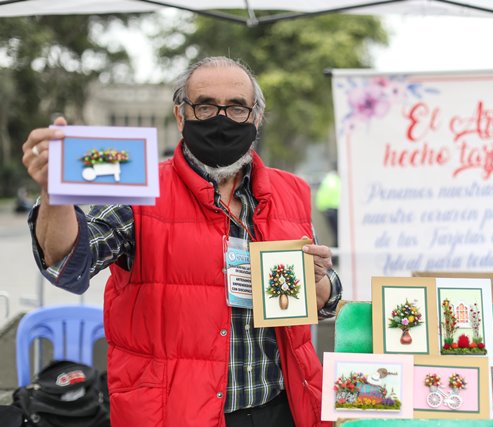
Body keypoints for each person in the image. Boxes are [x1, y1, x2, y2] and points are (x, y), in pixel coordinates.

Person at [21, 56, 342, 427]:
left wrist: (317, 278)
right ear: (180, 115)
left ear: (255, 118)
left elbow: (325, 298)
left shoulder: (291, 192)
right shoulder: (140, 191)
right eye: (205, 106)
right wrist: (54, 193)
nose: (221, 119)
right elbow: (68, 263)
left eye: (237, 108)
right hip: (177, 414)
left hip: (283, 407)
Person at [314, 168, 340, 246]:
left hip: (330, 209)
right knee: (338, 234)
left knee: (337, 234)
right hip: (333, 209)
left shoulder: (330, 179)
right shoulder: (333, 180)